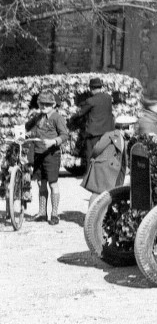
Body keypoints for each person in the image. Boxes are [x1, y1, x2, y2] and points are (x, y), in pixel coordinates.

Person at [25, 91, 69, 225]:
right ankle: (42, 213)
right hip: (38, 154)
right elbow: (28, 128)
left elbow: (65, 135)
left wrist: (54, 141)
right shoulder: (38, 116)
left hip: (51, 155)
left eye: (47, 104)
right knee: (40, 183)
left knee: (53, 183)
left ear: (53, 104)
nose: (44, 106)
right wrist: (25, 133)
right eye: (41, 103)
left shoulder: (57, 118)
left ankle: (54, 214)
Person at [81, 115, 137, 209]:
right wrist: (100, 160)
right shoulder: (110, 135)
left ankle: (101, 217)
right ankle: (90, 218)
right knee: (97, 193)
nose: (133, 131)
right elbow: (97, 149)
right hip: (103, 168)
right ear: (125, 127)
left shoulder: (124, 138)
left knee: (108, 194)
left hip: (112, 170)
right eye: (132, 127)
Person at [72, 77, 114, 172]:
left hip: (93, 134)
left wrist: (72, 118)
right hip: (107, 132)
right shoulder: (108, 98)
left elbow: (80, 113)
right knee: (104, 155)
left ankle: (90, 177)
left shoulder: (90, 100)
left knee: (90, 156)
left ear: (91, 88)